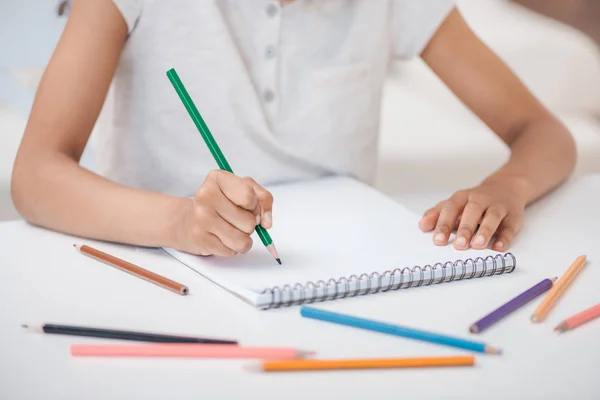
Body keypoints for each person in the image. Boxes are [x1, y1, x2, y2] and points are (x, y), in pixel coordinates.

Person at [11, 0, 576, 258]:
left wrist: (509, 188)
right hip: (157, 265)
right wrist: (181, 221)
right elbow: (35, 177)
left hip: (336, 278)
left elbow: (544, 132)